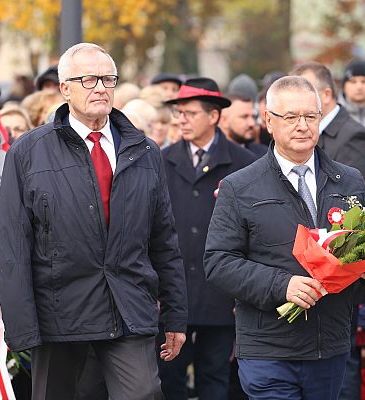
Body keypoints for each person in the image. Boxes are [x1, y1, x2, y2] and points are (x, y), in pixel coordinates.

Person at [0, 42, 187, 400]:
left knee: (143, 393)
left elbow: (163, 240)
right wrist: (21, 327)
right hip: (57, 315)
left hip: (127, 306)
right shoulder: (28, 152)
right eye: (88, 79)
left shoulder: (145, 152)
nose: (100, 87)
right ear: (64, 88)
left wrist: (175, 315)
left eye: (108, 79)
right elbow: (12, 245)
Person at [204, 76, 365, 400]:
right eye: (291, 117)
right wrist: (282, 285)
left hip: (330, 344)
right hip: (268, 348)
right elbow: (218, 262)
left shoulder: (348, 180)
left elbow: (358, 257)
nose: (302, 126)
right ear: (269, 122)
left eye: (310, 116)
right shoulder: (240, 186)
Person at [160, 77, 256, 400]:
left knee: (215, 380)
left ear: (214, 116)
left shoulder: (243, 163)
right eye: (178, 113)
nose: (181, 119)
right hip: (173, 296)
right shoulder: (162, 160)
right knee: (170, 380)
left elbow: (253, 232)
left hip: (221, 295)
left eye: (189, 113)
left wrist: (243, 293)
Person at [291, 61, 365, 194]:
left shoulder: (355, 137)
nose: (296, 100)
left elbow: (357, 201)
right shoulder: (301, 133)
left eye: (304, 92)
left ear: (326, 95)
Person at [340, 59, 365, 128]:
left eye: (364, 81)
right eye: (353, 82)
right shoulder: (334, 114)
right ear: (344, 86)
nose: (359, 87)